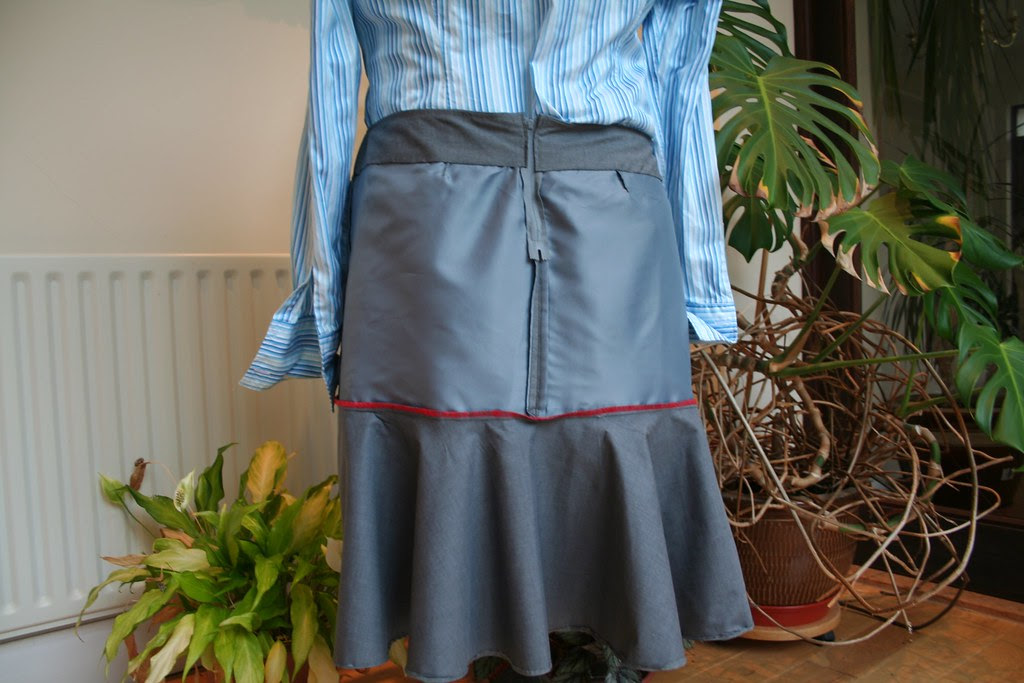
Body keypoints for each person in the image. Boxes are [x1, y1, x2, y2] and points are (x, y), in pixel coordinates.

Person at [241, 1, 754, 681]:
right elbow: (331, 79)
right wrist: (325, 304)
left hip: (576, 217)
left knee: (603, 454)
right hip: (446, 215)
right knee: (459, 456)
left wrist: (696, 281)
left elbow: (679, 74)